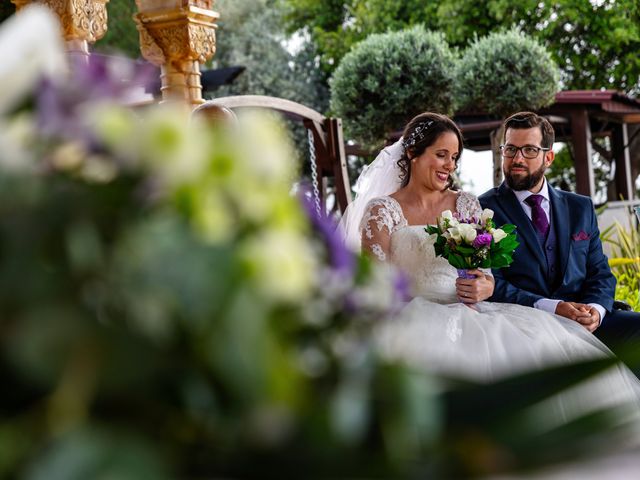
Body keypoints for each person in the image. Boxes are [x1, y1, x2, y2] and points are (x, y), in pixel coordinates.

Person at [338, 112, 640, 423]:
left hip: (484, 310)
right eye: (441, 155)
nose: (449, 165)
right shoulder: (383, 210)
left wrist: (485, 286)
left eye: (454, 157)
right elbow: (374, 282)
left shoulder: (467, 205)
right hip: (413, 314)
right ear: (412, 153)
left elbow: (489, 275)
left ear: (547, 156)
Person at [478, 111, 640, 369]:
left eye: (529, 150)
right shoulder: (482, 209)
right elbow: (493, 283)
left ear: (548, 157)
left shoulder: (580, 207)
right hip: (524, 324)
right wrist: (554, 307)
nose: (517, 159)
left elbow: (600, 273)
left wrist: (595, 312)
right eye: (510, 149)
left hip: (587, 322)